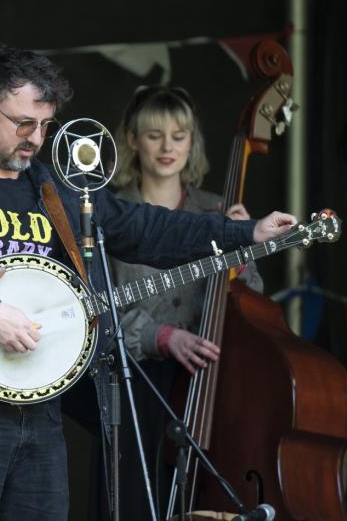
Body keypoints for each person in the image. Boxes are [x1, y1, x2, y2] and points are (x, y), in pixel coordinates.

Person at [0, 43, 296, 521]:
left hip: (43, 414)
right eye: (22, 123)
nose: (35, 138)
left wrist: (244, 232)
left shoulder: (57, 190)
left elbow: (145, 228)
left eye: (45, 125)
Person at [83, 85, 263, 520]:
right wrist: (162, 336)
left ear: (192, 142)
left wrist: (242, 254)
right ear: (131, 139)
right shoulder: (105, 214)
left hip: (207, 385)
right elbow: (91, 307)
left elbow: (254, 304)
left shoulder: (217, 212)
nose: (167, 147)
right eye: (154, 134)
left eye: (179, 136)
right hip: (133, 384)